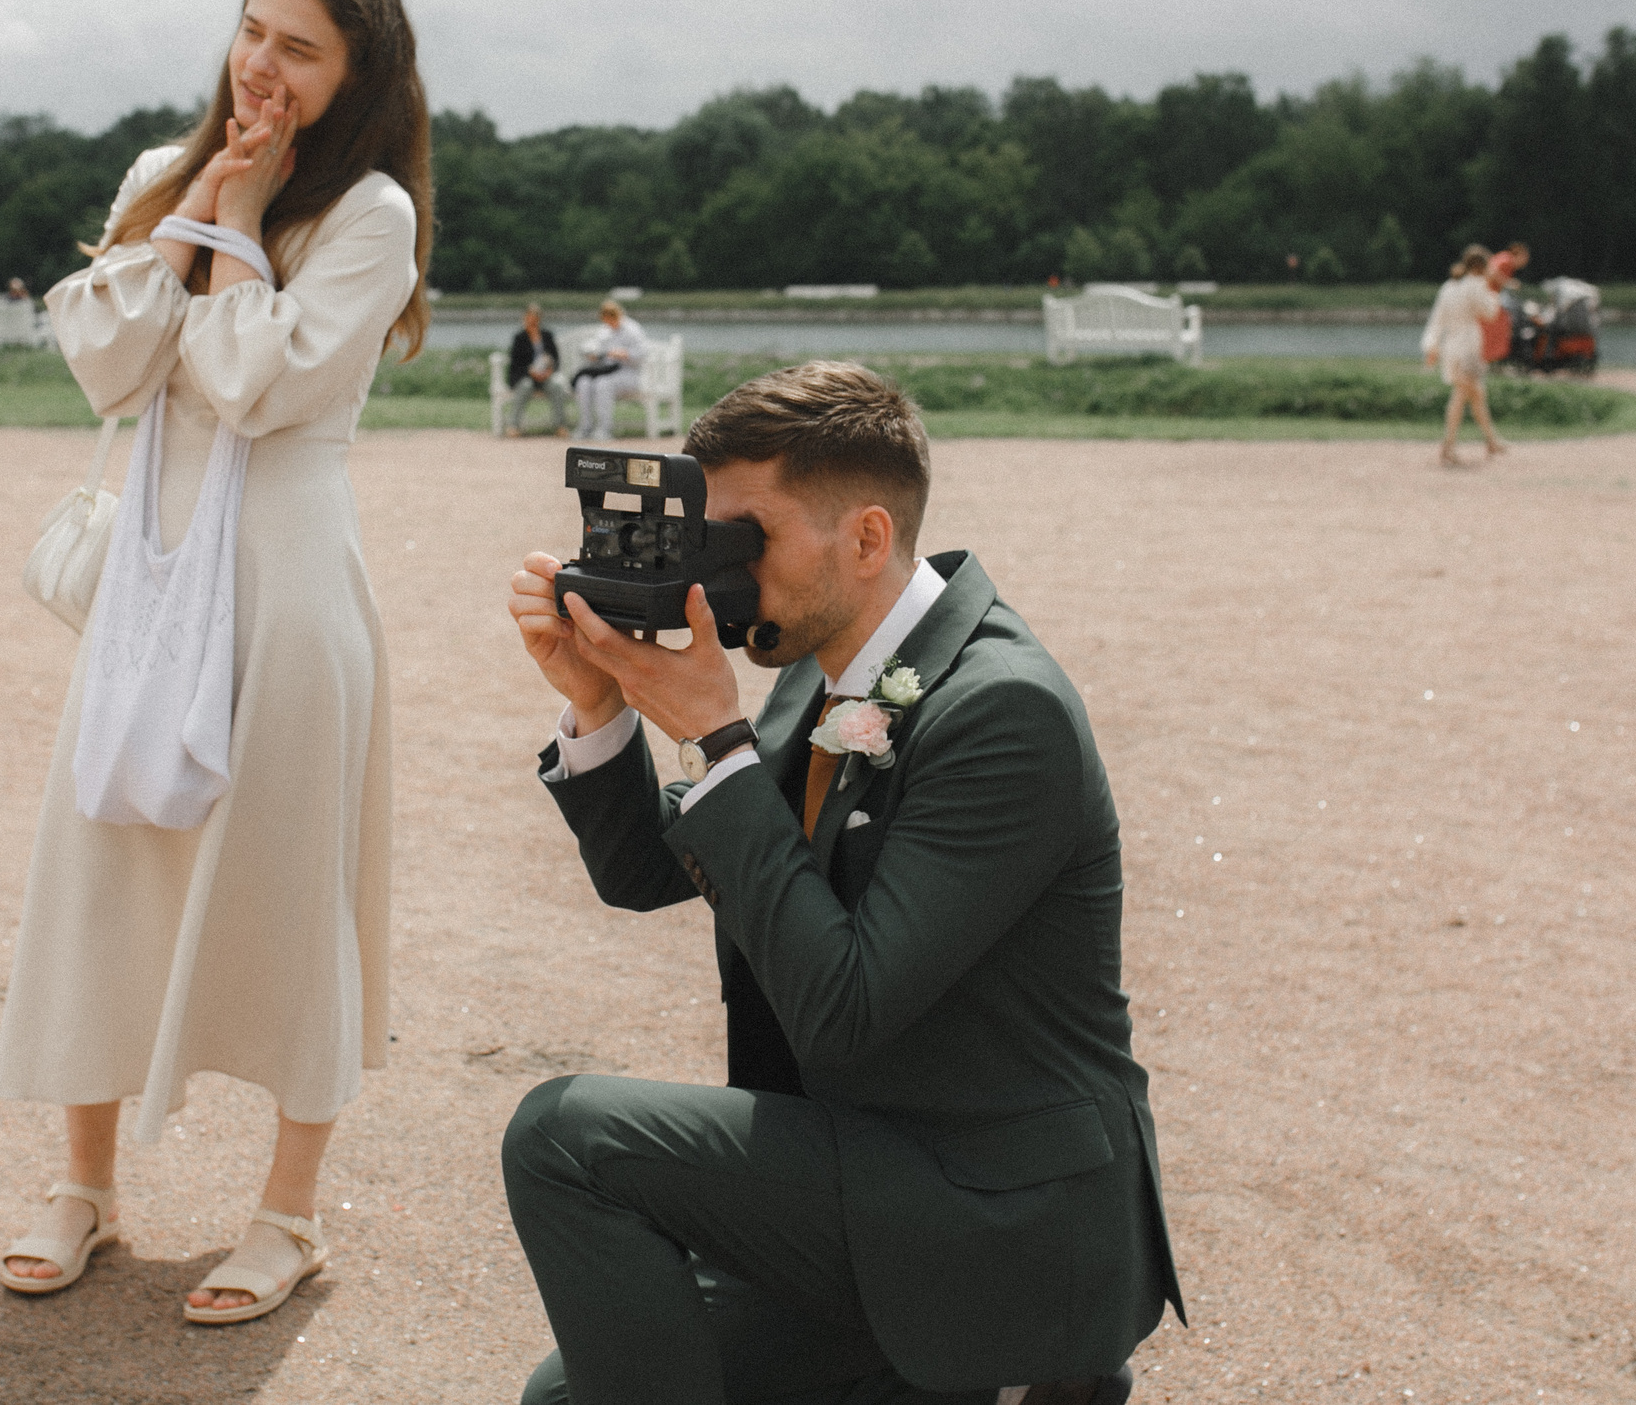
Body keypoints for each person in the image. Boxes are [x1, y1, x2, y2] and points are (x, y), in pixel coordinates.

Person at [502, 361, 1177, 1405]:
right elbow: (646, 871)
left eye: (745, 537)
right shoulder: (811, 676)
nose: (716, 571)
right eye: (702, 534)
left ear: (865, 537)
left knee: (564, 1134)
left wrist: (718, 740)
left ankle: (1034, 1378)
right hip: (865, 1177)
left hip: (994, 1215)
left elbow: (845, 1008)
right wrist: (602, 704)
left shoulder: (1002, 709)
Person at [0, 0, 430, 1327]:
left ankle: (288, 1211)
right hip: (157, 571)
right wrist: (199, 205)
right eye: (253, 32)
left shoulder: (369, 215)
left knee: (290, 882)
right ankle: (84, 1185)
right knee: (105, 858)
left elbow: (255, 380)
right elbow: (108, 360)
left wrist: (238, 228)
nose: (263, 66)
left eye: (301, 47)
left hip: (289, 581)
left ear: (356, 74)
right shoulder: (153, 177)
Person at [1422, 245, 1508, 465]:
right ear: (1482, 267)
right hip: (1468, 347)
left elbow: (1436, 320)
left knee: (1469, 395)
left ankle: (1487, 441)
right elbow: (1490, 313)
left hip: (1451, 346)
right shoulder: (1476, 286)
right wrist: (1493, 290)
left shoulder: (1448, 287)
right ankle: (1459, 445)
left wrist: (1432, 347)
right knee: (1469, 394)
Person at [572, 298, 648, 440]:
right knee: (584, 382)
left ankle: (604, 429)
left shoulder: (632, 329)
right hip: (605, 370)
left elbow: (642, 354)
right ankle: (585, 426)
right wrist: (593, 354)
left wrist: (623, 354)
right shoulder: (604, 330)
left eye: (609, 318)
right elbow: (597, 348)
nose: (608, 322)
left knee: (603, 384)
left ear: (616, 315)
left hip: (628, 373)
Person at [506, 303, 566, 436]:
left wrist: (549, 371)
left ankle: (560, 425)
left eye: (535, 319)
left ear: (539, 319)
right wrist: (530, 371)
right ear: (525, 318)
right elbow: (515, 364)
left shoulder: (547, 336)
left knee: (556, 386)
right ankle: (513, 425)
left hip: (545, 376)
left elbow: (555, 359)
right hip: (525, 376)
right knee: (525, 386)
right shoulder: (519, 338)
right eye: (529, 318)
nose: (532, 322)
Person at [1481, 243, 1527, 366]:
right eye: (1525, 257)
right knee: (1502, 323)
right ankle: (1494, 356)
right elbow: (1492, 272)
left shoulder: (1504, 258)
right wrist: (1509, 283)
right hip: (1488, 297)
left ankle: (1491, 356)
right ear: (1519, 254)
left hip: (1489, 297)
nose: (1526, 261)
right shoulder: (1507, 260)